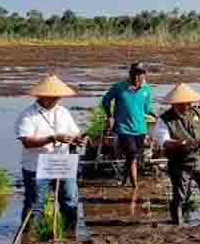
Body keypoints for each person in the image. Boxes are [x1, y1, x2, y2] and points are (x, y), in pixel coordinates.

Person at [16, 74, 85, 232]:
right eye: (53, 97)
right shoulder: (28, 115)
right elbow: (27, 142)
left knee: (69, 200)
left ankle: (69, 235)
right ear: (42, 96)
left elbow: (74, 133)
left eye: (58, 97)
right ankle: (29, 238)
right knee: (35, 204)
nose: (57, 100)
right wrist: (53, 138)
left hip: (62, 163)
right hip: (37, 166)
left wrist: (77, 140)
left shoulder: (63, 112)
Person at [152, 83, 200, 225]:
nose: (186, 106)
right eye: (182, 104)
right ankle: (178, 224)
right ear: (174, 103)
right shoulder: (164, 119)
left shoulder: (199, 114)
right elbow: (165, 142)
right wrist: (182, 143)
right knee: (180, 196)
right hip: (180, 163)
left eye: (188, 103)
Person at [101, 62, 154, 189]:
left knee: (132, 157)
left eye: (140, 74)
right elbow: (106, 100)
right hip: (123, 128)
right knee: (132, 154)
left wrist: (156, 115)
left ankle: (124, 179)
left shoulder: (147, 89)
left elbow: (147, 109)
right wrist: (109, 116)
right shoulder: (119, 87)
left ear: (144, 76)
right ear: (130, 74)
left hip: (140, 128)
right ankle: (135, 187)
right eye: (135, 74)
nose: (137, 77)